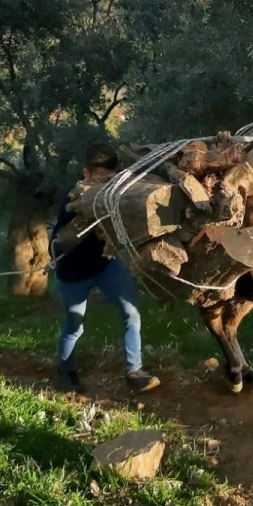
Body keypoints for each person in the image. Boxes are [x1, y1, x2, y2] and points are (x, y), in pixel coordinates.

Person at [50, 143, 160, 394]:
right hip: (73, 274)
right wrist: (64, 240)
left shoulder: (114, 195)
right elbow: (59, 241)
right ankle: (65, 372)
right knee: (75, 327)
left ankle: (135, 372)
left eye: (110, 176)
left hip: (106, 266)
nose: (106, 181)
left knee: (132, 315)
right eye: (101, 177)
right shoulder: (71, 200)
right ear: (86, 173)